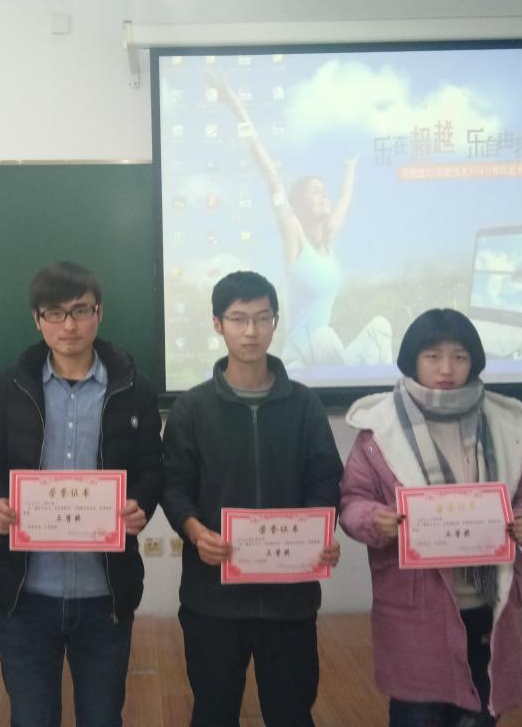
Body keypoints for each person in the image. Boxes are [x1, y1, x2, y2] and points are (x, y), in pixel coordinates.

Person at [339, 308, 522, 726]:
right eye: (433, 356)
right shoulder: (379, 428)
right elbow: (353, 500)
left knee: (480, 713)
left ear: (474, 361)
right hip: (417, 605)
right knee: (416, 712)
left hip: (489, 603)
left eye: (459, 357)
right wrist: (375, 519)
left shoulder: (503, 424)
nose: (446, 369)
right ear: (412, 360)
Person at [0, 261, 163, 727]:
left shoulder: (134, 388)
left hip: (105, 593)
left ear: (100, 313)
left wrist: (139, 504)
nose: (69, 325)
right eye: (54, 313)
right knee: (32, 718)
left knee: (102, 717)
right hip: (26, 594)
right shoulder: (9, 387)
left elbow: (152, 468)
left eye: (80, 310)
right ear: (37, 319)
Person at [162, 270, 343, 727]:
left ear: (276, 322)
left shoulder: (304, 404)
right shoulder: (192, 408)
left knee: (291, 712)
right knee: (214, 711)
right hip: (213, 598)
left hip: (290, 598)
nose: (251, 331)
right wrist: (195, 531)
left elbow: (325, 479)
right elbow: (173, 485)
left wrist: (320, 533)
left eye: (262, 318)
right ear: (217, 323)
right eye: (239, 318)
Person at [207, 72, 392, 368]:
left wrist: (350, 169)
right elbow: (270, 176)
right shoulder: (296, 239)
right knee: (325, 337)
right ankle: (345, 376)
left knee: (380, 327)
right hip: (301, 357)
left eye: (324, 191)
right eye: (315, 192)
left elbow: (344, 196)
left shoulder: (328, 241)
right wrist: (236, 107)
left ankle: (378, 387)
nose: (324, 195)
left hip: (328, 354)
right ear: (298, 205)